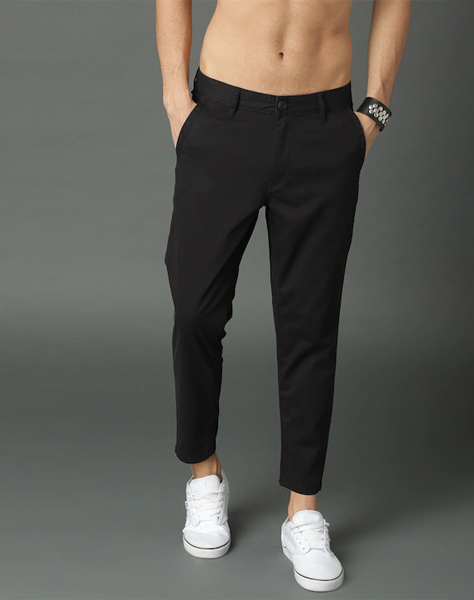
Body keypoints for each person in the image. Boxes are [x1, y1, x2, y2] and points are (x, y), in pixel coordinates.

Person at [156, 0, 411, 592]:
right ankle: (204, 476)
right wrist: (176, 101)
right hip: (223, 113)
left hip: (323, 124)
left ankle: (304, 511)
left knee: (310, 324)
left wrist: (375, 108)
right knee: (195, 311)